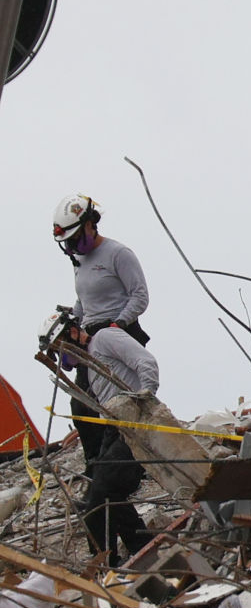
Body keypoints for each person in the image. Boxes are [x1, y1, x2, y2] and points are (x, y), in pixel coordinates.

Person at [38, 310, 156, 566]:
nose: (62, 356)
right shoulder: (90, 367)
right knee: (96, 499)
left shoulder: (105, 338)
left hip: (136, 420)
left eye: (61, 346)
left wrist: (146, 396)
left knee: (103, 491)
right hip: (116, 427)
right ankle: (126, 554)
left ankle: (116, 559)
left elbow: (145, 361)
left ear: (72, 331)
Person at [51, 193, 150, 479]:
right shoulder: (79, 262)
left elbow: (140, 296)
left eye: (74, 238)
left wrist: (119, 324)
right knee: (81, 403)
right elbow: (83, 301)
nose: (72, 246)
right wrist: (71, 323)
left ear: (90, 224)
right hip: (91, 338)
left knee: (116, 406)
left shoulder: (118, 254)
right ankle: (96, 468)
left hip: (118, 335)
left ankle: (122, 470)